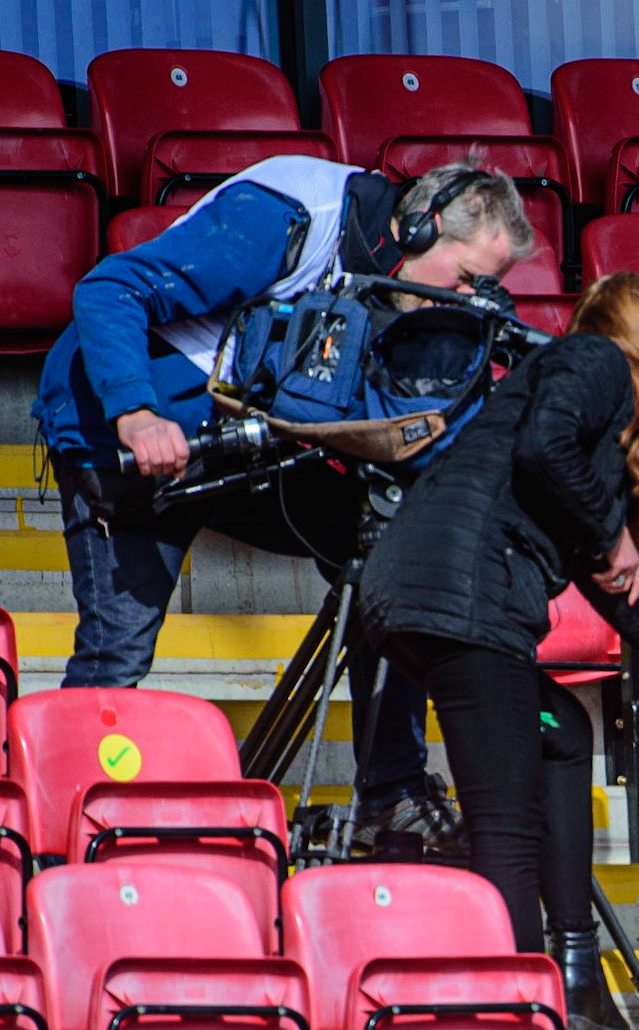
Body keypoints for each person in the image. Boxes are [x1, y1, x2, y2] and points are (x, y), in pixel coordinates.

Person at [358, 271, 639, 1030]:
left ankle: (575, 968)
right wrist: (610, 531)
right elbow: (544, 451)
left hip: (422, 605)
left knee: (563, 729)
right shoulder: (593, 359)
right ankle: (519, 1020)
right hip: (464, 602)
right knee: (503, 821)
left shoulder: (583, 457)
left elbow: (629, 601)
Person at [31, 154, 532, 848]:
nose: (470, 298)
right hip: (121, 427)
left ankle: (391, 791)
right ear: (422, 226)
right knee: (115, 655)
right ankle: (55, 835)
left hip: (243, 436)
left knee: (386, 553)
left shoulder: (405, 279)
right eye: (469, 278)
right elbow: (110, 288)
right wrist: (136, 413)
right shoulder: (292, 215)